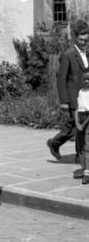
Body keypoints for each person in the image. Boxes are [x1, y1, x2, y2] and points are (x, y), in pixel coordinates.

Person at [47, 21, 89, 172]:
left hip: (84, 98)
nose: (84, 42)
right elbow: (61, 79)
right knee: (73, 127)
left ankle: (80, 156)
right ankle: (54, 143)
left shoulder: (86, 54)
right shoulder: (68, 55)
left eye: (86, 40)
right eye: (81, 40)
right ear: (75, 38)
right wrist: (64, 101)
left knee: (82, 128)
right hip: (72, 98)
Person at [75, 70, 89, 185]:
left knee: (87, 146)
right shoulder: (81, 92)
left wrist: (83, 124)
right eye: (84, 79)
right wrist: (77, 123)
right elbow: (77, 108)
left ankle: (88, 173)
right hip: (80, 117)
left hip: (87, 119)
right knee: (81, 146)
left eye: (88, 79)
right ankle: (83, 168)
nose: (86, 81)